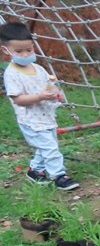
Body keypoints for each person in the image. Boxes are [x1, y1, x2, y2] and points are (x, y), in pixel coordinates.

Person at [1, 21, 79, 190]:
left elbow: (49, 86)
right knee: (50, 147)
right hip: (30, 120)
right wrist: (39, 96)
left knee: (46, 146)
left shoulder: (38, 68)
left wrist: (57, 94)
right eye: (19, 51)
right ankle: (58, 175)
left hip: (46, 116)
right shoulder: (11, 73)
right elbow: (18, 99)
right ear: (7, 51)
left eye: (29, 50)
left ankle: (34, 171)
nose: (25, 54)